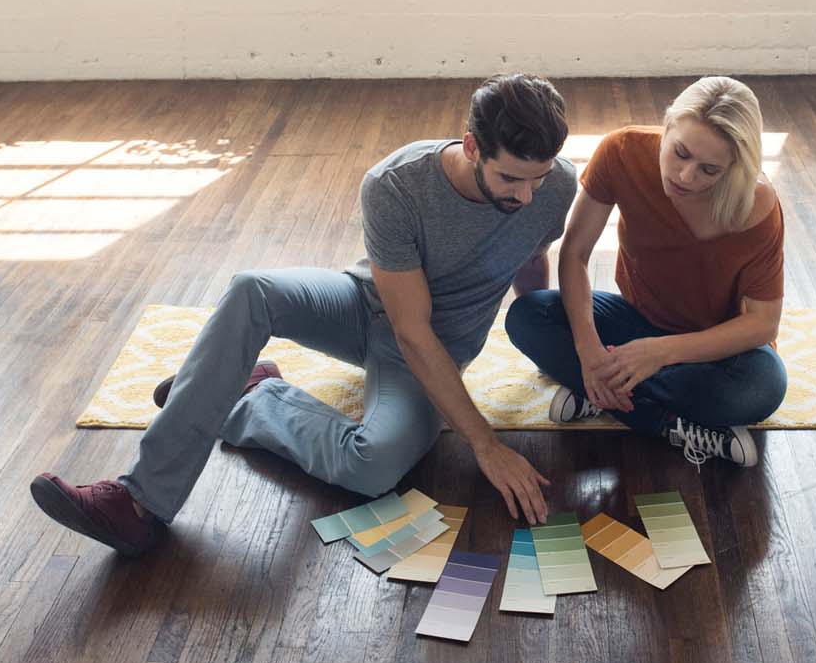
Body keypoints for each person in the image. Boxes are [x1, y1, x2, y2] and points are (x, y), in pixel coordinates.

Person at [32, 73, 577, 555]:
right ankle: (138, 502)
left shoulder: (554, 187)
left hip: (436, 345)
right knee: (252, 290)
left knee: (372, 466)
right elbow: (408, 327)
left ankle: (248, 395)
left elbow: (533, 255)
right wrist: (486, 443)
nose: (528, 195)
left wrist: (545, 343)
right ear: (472, 146)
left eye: (538, 178)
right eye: (511, 179)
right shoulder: (397, 185)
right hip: (370, 307)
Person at [505, 76, 786, 468]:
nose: (686, 176)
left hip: (710, 348)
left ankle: (603, 395)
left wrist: (660, 353)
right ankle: (667, 421)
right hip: (636, 323)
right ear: (667, 126)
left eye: (709, 170)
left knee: (765, 386)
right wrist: (588, 353)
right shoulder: (622, 150)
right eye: (680, 153)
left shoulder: (757, 206)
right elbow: (575, 255)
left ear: (735, 167)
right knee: (527, 315)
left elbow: (761, 325)